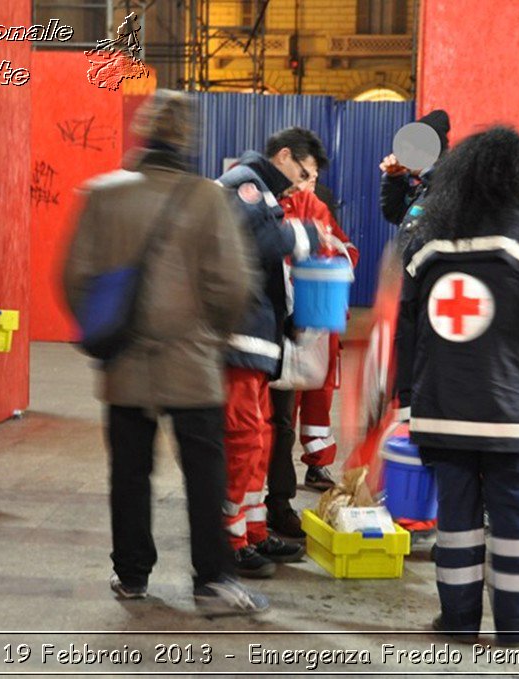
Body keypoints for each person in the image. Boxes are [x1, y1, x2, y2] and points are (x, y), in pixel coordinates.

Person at [63, 91, 269, 614]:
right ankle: (213, 581)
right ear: (186, 138)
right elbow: (232, 283)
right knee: (205, 469)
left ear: (143, 132)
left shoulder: (103, 194)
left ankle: (131, 576)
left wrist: (104, 332)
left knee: (129, 469)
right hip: (191, 359)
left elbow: (73, 278)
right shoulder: (205, 197)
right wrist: (212, 335)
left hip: (124, 359)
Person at [395, 126, 519, 642]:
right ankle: (516, 629)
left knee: (456, 523)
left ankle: (458, 622)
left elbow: (408, 323)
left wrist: (408, 398)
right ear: (517, 175)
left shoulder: (429, 239)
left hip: (440, 407)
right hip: (507, 410)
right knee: (514, 525)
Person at [215, 127, 329, 577]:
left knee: (258, 438)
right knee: (242, 440)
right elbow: (257, 242)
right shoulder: (245, 185)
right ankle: (229, 539)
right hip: (237, 338)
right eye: (302, 173)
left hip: (255, 341)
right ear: (283, 156)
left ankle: (253, 530)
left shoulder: (262, 192)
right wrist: (306, 235)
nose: (303, 185)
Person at [266, 178, 359, 540]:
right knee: (257, 424)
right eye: (304, 173)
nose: (309, 181)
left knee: (289, 416)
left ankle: (283, 498)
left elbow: (344, 250)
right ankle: (249, 516)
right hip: (265, 328)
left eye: (313, 176)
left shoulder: (313, 206)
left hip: (310, 323)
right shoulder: (255, 200)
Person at [379, 109, 451, 232]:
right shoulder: (422, 189)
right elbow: (395, 213)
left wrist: (427, 172)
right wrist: (393, 179)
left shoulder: (448, 186)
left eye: (407, 149)